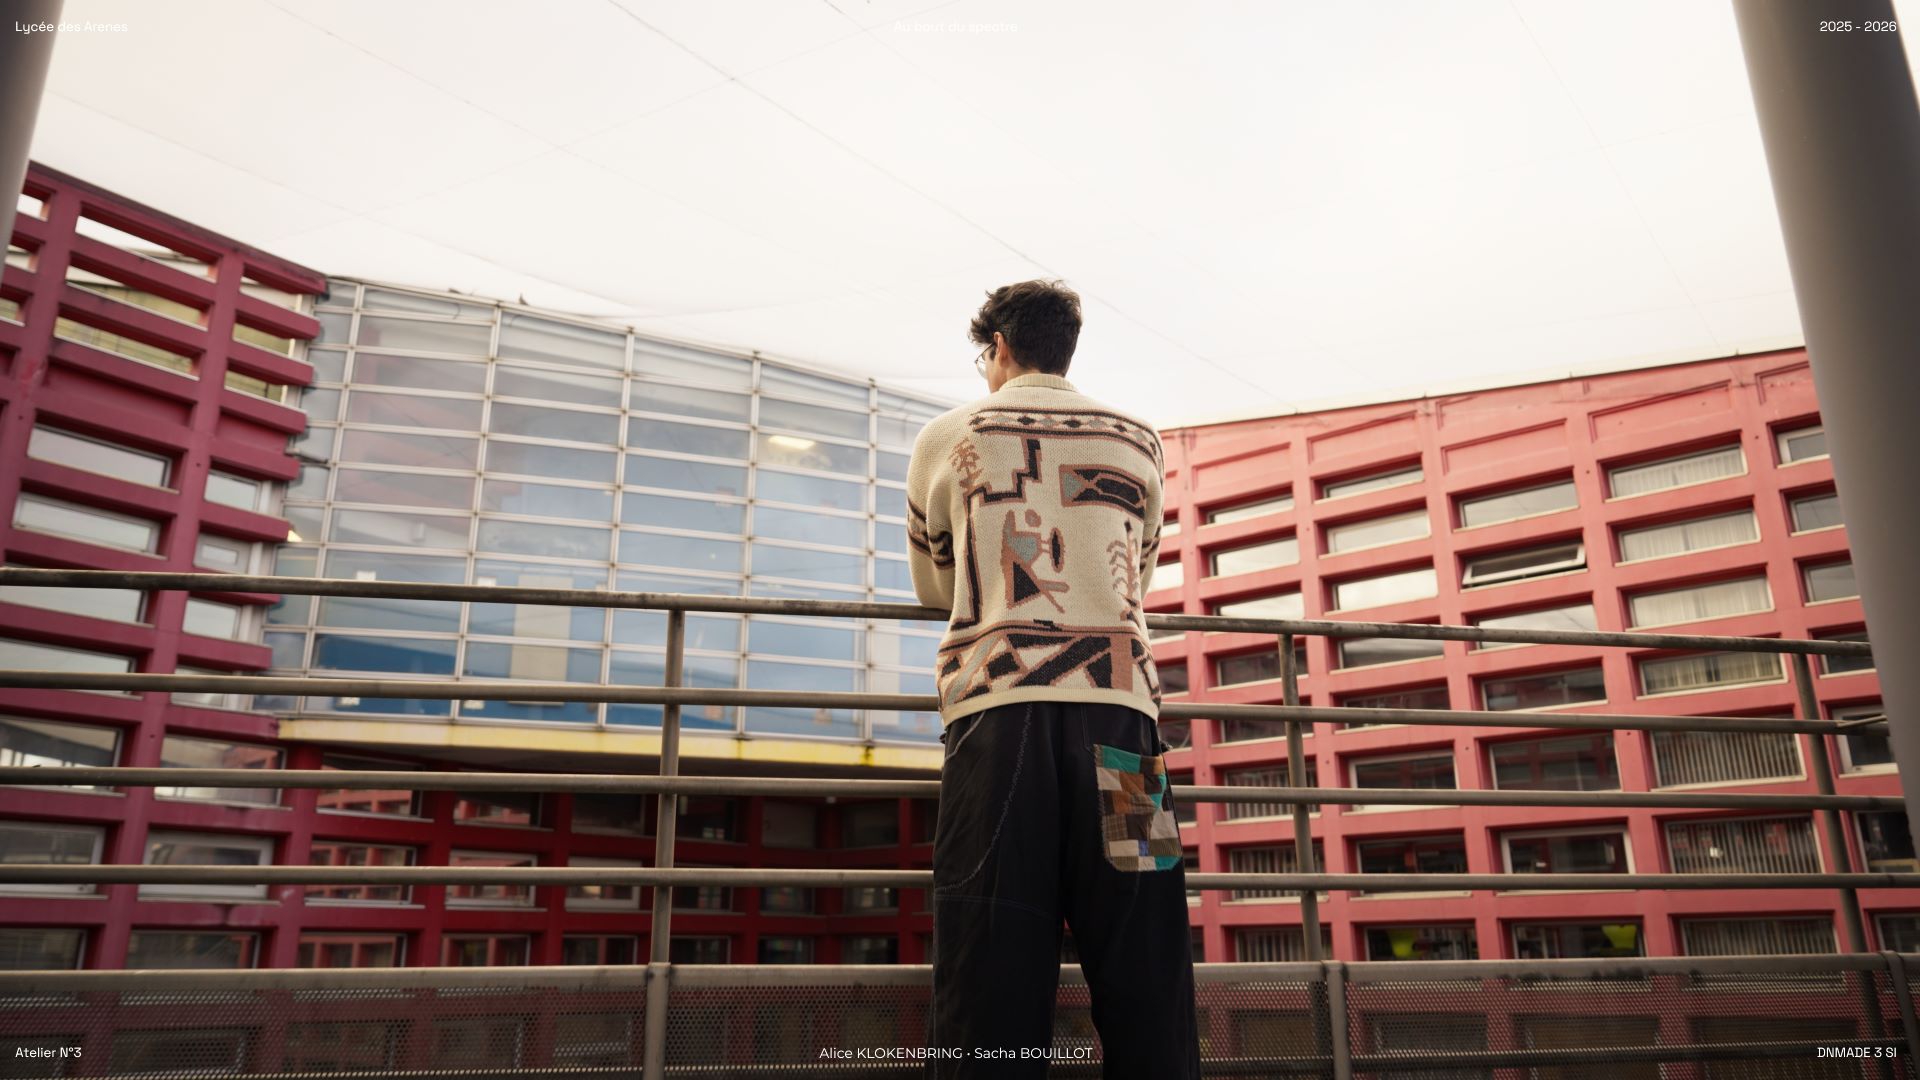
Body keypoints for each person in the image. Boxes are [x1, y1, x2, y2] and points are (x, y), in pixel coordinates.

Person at [906, 279, 1201, 1078]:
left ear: (998, 348)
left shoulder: (947, 436)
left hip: (1001, 718)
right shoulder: (1138, 440)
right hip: (1124, 722)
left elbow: (936, 586)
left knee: (990, 961)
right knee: (1145, 955)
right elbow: (1138, 576)